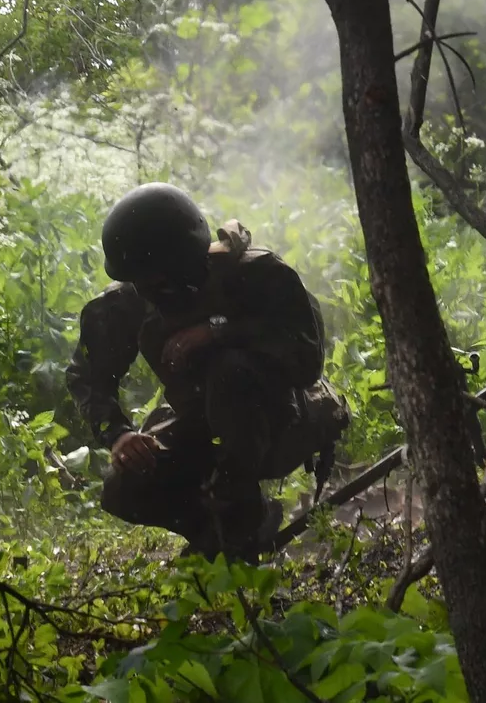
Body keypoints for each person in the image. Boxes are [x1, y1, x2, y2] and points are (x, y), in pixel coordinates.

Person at [66, 183, 346, 560]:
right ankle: (227, 530)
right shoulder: (126, 305)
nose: (150, 291)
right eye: (141, 282)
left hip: (281, 417)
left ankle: (236, 516)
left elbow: (306, 357)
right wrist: (119, 435)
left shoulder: (258, 276)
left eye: (159, 281)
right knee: (125, 485)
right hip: (199, 418)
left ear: (185, 261)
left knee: (229, 373)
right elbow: (89, 376)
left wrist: (219, 331)